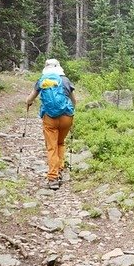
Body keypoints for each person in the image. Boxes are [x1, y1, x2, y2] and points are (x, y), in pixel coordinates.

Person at [25, 59, 76, 190]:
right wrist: (71, 111)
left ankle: (53, 177)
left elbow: (30, 99)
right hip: (66, 117)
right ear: (59, 68)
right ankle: (59, 170)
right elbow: (74, 100)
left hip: (50, 118)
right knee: (60, 143)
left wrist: (29, 103)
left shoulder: (42, 80)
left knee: (52, 147)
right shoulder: (65, 80)